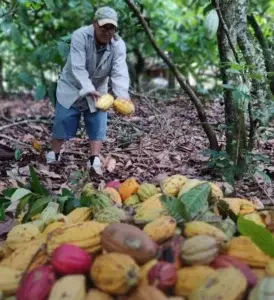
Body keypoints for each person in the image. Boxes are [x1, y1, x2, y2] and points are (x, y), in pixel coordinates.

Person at [46, 6, 130, 174]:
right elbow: (78, 67)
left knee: (97, 119)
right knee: (64, 118)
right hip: (72, 84)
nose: (107, 32)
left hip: (98, 86)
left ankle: (94, 158)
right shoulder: (80, 36)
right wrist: (88, 89)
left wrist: (123, 96)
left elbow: (119, 72)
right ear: (94, 24)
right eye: (103, 27)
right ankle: (54, 153)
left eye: (111, 28)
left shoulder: (118, 45)